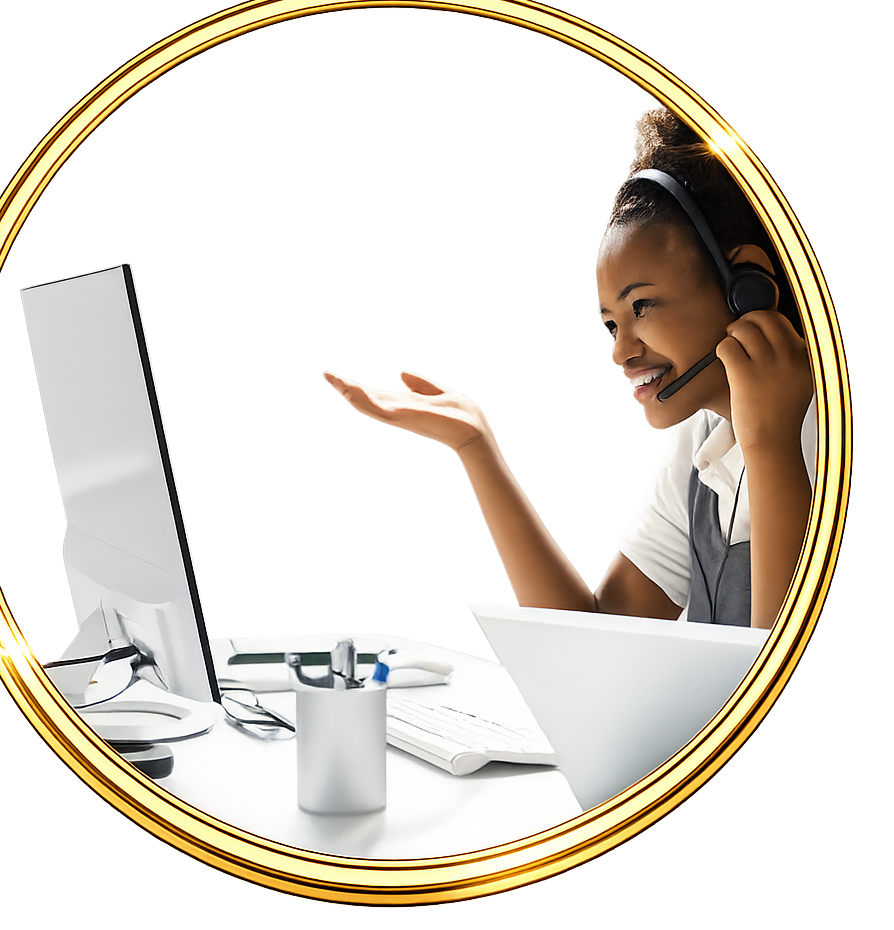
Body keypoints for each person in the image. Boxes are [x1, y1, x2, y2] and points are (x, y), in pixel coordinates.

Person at [323, 108, 815, 630]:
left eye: (642, 307)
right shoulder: (700, 444)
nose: (621, 353)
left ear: (749, 285)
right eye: (610, 324)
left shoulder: (840, 447)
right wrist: (475, 445)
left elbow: (797, 678)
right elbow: (605, 634)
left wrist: (771, 445)